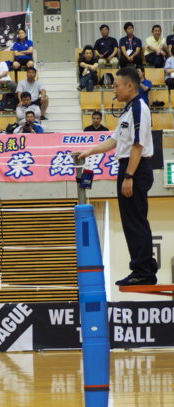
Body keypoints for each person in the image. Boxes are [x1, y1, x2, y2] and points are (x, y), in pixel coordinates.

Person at [79, 67, 157, 286]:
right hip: (128, 167)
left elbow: (138, 146)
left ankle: (143, 271)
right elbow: (114, 141)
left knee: (135, 221)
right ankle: (142, 268)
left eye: (116, 85)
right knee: (131, 221)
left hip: (136, 168)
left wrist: (129, 176)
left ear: (129, 86)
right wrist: (90, 151)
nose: (114, 89)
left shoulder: (139, 108)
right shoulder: (128, 110)